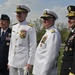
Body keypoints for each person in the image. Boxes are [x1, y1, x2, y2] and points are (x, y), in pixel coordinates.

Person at [8, 5, 37, 75]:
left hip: (23, 62)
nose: (18, 15)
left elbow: (33, 46)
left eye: (20, 13)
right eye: (17, 13)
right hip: (12, 61)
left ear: (26, 14)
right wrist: (9, 60)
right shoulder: (14, 27)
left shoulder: (29, 27)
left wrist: (30, 62)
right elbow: (12, 45)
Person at [33, 9, 61, 75]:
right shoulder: (48, 32)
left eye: (47, 19)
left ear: (53, 20)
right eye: (43, 19)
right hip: (39, 70)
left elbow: (50, 57)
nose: (44, 21)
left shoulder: (53, 33)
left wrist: (44, 73)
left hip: (45, 72)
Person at [60, 5, 75, 75]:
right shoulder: (72, 33)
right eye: (68, 18)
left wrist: (73, 72)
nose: (69, 20)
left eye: (71, 18)